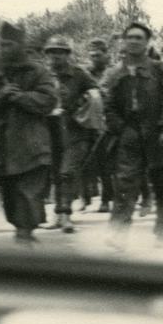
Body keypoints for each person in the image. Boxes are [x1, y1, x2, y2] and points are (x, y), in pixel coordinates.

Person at [0, 22, 56, 243]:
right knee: (10, 196)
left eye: (9, 44)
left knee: (29, 192)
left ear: (21, 45)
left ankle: (25, 232)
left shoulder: (37, 71)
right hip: (2, 144)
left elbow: (49, 100)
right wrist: (1, 94)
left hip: (32, 142)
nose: (4, 49)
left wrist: (20, 97)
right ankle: (22, 229)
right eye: (1, 45)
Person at [103, 22, 163, 248]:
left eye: (139, 38)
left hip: (157, 135)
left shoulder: (158, 69)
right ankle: (118, 233)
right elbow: (108, 106)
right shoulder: (116, 72)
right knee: (125, 185)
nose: (134, 41)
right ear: (124, 41)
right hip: (129, 135)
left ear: (147, 43)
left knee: (162, 185)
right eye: (130, 37)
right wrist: (120, 128)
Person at [43, 36, 100, 232]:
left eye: (60, 52)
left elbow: (97, 93)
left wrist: (78, 105)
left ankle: (65, 214)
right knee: (55, 173)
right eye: (51, 52)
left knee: (67, 172)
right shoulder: (43, 75)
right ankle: (57, 214)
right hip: (50, 129)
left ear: (67, 55)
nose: (55, 57)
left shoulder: (79, 75)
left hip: (75, 130)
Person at [85, 37, 114, 213]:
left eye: (98, 55)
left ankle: (106, 199)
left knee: (107, 163)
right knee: (89, 161)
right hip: (90, 123)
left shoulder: (112, 73)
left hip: (110, 122)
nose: (95, 58)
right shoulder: (85, 74)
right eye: (92, 55)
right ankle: (85, 196)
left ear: (106, 55)